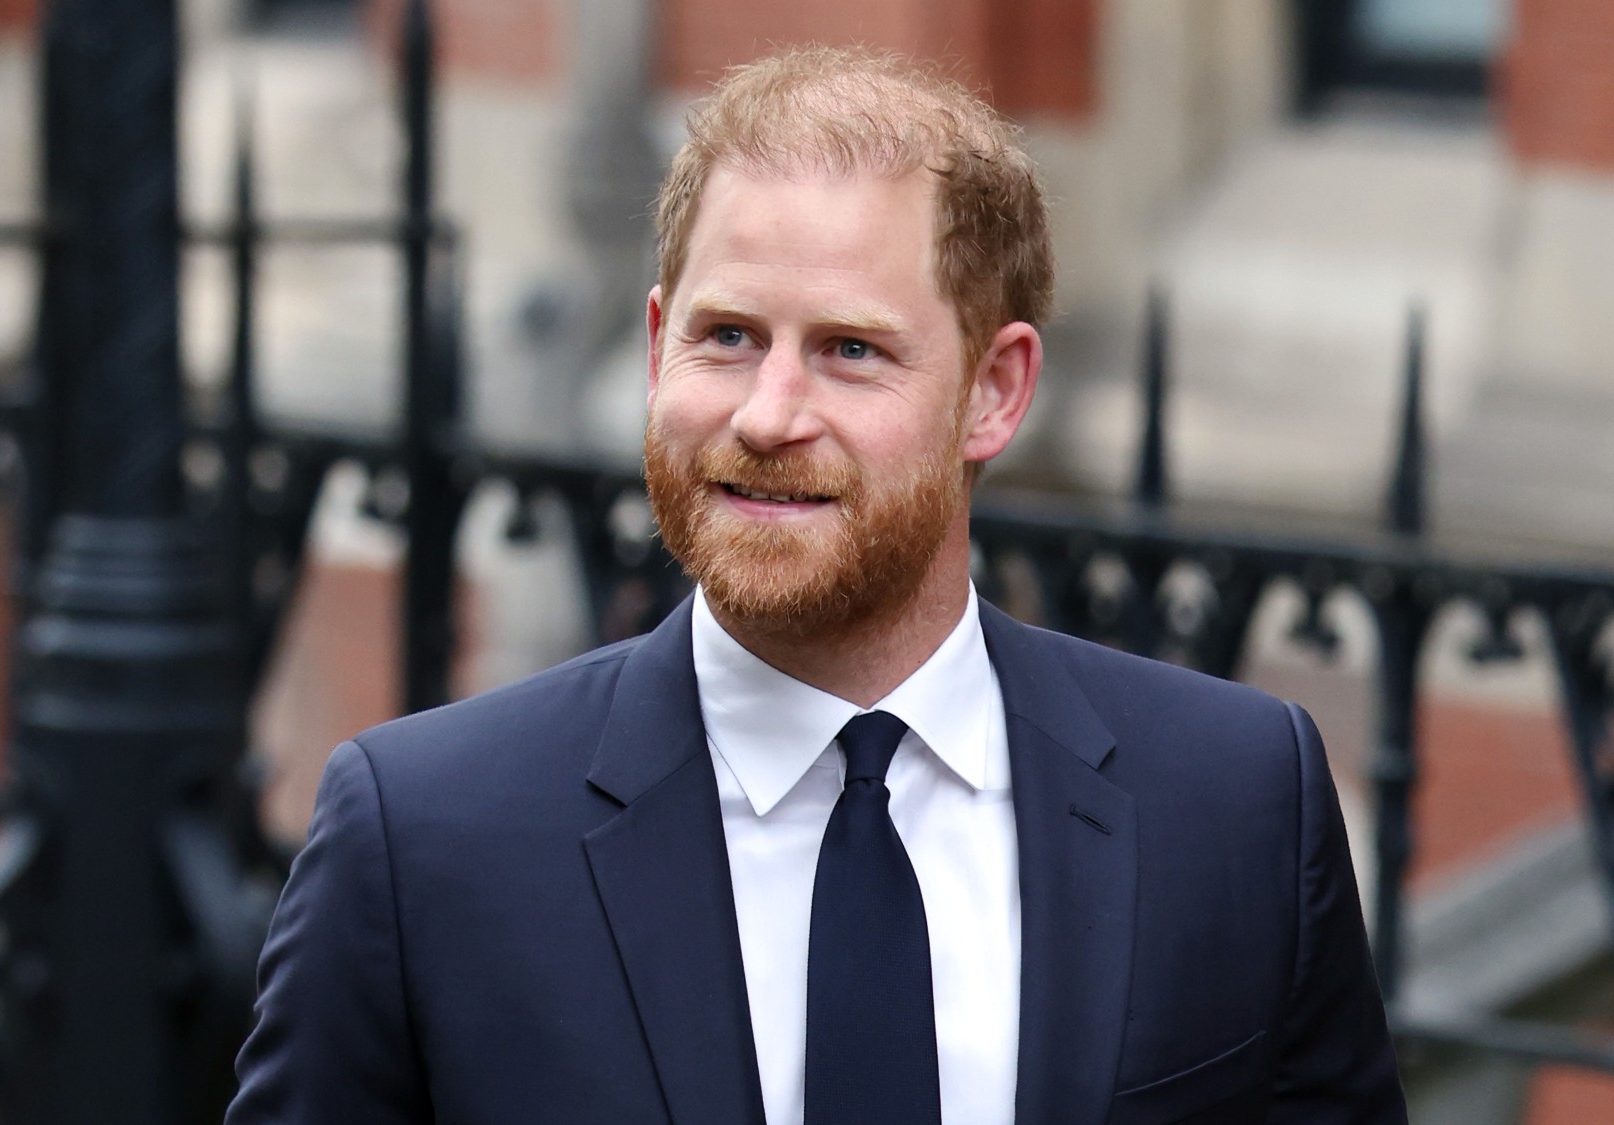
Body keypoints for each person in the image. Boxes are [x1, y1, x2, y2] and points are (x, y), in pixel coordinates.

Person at [226, 46, 1406, 1125]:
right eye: (727, 336)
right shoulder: (424, 838)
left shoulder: (1237, 803)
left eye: (849, 350)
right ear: (653, 349)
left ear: (993, 392)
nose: (767, 415)